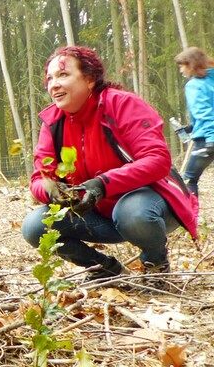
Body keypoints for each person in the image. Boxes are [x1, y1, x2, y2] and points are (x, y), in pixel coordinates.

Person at [21, 46, 199, 288]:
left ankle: (156, 265)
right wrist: (53, 191)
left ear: (90, 79)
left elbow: (157, 160)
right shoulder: (53, 123)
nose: (54, 84)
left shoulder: (121, 104)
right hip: (96, 213)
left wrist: (103, 184)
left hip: (149, 207)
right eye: (50, 78)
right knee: (35, 226)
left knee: (132, 212)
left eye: (63, 75)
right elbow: (38, 179)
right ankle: (104, 268)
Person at [174, 47, 214, 196]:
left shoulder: (195, 85)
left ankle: (189, 218)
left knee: (188, 181)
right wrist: (191, 127)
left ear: (191, 64)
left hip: (207, 140)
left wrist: (211, 139)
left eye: (182, 66)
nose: (181, 71)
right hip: (209, 134)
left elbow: (206, 113)